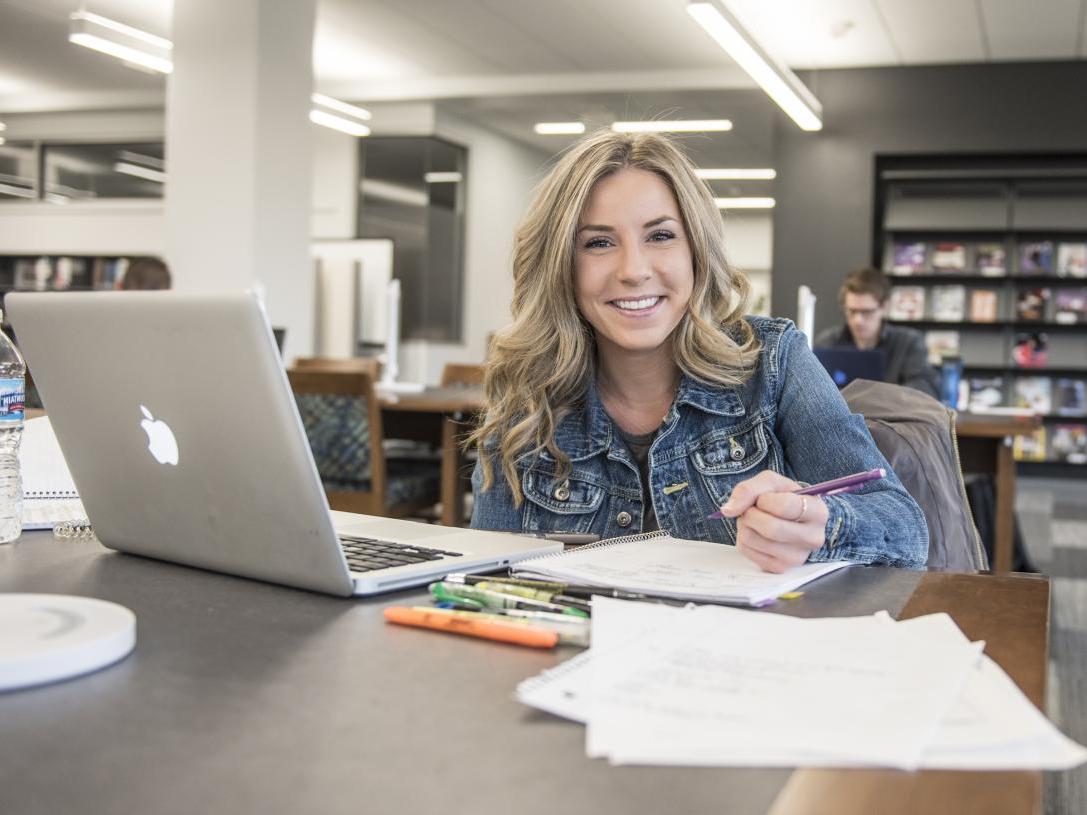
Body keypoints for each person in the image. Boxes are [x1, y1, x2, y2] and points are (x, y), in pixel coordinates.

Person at [468, 130, 928, 572]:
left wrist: (822, 526)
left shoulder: (773, 361)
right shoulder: (529, 396)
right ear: (561, 265)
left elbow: (906, 531)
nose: (634, 270)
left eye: (661, 235)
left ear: (696, 250)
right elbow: (489, 579)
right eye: (599, 243)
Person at [814, 268, 939, 397]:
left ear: (884, 307)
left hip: (891, 415)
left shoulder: (908, 342)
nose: (858, 321)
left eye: (866, 312)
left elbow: (924, 387)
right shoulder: (827, 342)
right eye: (852, 311)